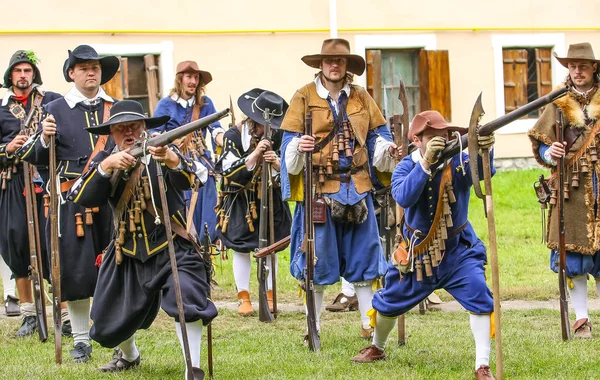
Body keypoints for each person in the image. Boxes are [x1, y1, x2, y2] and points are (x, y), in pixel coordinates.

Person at [67, 100, 217, 379]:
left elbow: (200, 176)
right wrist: (107, 166)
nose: (128, 134)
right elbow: (79, 194)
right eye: (120, 129)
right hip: (127, 248)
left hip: (172, 244)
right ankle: (130, 356)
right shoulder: (106, 160)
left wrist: (173, 161)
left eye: (134, 127)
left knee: (187, 297)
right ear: (111, 133)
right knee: (106, 319)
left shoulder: (165, 152)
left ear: (144, 128)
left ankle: (191, 369)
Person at [351, 110, 496, 380]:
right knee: (387, 302)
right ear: (417, 140)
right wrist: (426, 164)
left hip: (458, 252)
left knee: (479, 295)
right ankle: (377, 347)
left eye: (443, 136)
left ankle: (482, 365)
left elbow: (484, 174)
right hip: (416, 253)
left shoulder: (459, 161)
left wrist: (485, 150)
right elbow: (404, 197)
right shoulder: (406, 166)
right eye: (433, 137)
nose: (441, 140)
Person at [280, 38, 399, 340]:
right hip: (320, 190)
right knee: (316, 259)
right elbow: (288, 145)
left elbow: (378, 136)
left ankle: (368, 325)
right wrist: (299, 144)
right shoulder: (303, 97)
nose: (334, 65)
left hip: (358, 187)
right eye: (329, 60)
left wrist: (388, 150)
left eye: (340, 61)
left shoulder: (361, 97)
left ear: (347, 66)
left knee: (365, 259)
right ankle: (314, 327)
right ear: (320, 64)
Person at [18, 44, 119, 362]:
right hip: (69, 204)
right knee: (75, 275)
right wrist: (45, 138)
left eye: (96, 67)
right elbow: (30, 156)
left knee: (115, 271)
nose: (92, 72)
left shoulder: (114, 109)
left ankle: (118, 338)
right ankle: (80, 341)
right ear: (72, 72)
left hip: (109, 203)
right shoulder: (56, 110)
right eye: (84, 67)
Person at [528, 42, 600, 339]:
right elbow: (541, 143)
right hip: (570, 188)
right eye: (572, 66)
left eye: (582, 66)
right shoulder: (558, 101)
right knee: (575, 259)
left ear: (595, 68)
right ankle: (581, 319)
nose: (577, 71)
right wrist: (550, 152)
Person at [215, 89, 292, 316]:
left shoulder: (280, 135)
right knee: (241, 248)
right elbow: (228, 170)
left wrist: (277, 164)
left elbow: (290, 171)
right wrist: (255, 154)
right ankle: (244, 297)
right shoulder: (233, 136)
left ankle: (269, 295)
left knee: (271, 247)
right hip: (241, 199)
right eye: (259, 124)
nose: (264, 129)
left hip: (271, 197)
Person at [0, 50, 61, 333]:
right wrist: (7, 148)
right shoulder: (1, 109)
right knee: (15, 241)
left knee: (52, 242)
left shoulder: (52, 102)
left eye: (27, 70)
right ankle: (29, 313)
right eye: (18, 71)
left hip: (46, 181)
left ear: (33, 74)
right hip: (13, 182)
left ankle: (63, 311)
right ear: (10, 76)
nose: (23, 75)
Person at [152, 61, 224, 242]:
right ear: (180, 79)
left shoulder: (206, 104)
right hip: (176, 167)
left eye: (196, 77)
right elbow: (155, 135)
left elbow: (216, 130)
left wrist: (227, 140)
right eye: (189, 77)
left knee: (206, 214)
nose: (193, 81)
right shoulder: (165, 105)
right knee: (182, 212)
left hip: (202, 166)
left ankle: (205, 251)